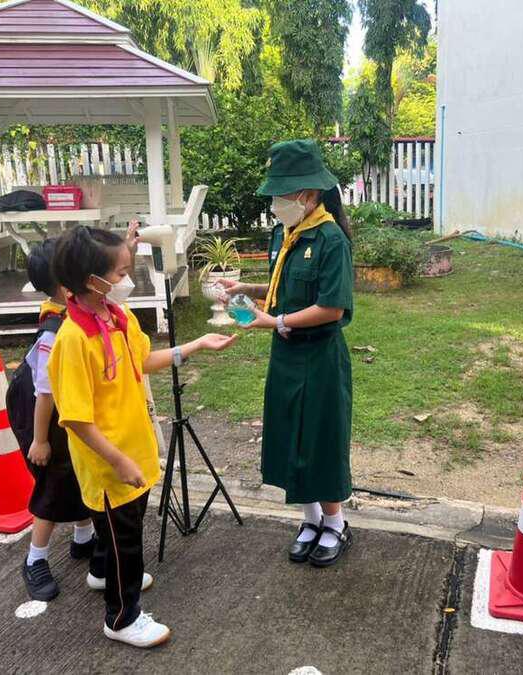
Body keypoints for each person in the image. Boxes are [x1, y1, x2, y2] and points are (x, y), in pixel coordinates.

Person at [48, 226, 237, 648]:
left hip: (134, 449)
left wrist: (196, 345)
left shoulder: (118, 317)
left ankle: (102, 572)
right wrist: (118, 461)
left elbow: (143, 360)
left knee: (118, 533)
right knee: (126, 542)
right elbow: (76, 419)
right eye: (119, 273)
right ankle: (122, 617)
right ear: (91, 281)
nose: (126, 280)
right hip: (109, 463)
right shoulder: (73, 340)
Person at [220, 139, 355, 567]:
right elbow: (284, 287)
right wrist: (248, 289)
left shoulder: (331, 239)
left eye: (282, 194)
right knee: (290, 436)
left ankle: (335, 523)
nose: (276, 202)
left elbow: (331, 307)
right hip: (287, 356)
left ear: (308, 193)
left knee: (319, 439)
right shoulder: (284, 233)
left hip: (320, 356)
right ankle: (310, 519)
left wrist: (274, 321)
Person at [9, 238, 96, 602]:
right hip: (39, 411)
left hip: (66, 407)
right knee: (54, 483)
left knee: (79, 471)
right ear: (65, 284)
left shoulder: (72, 310)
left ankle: (84, 538)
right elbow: (43, 393)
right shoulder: (53, 332)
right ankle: (35, 559)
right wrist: (40, 440)